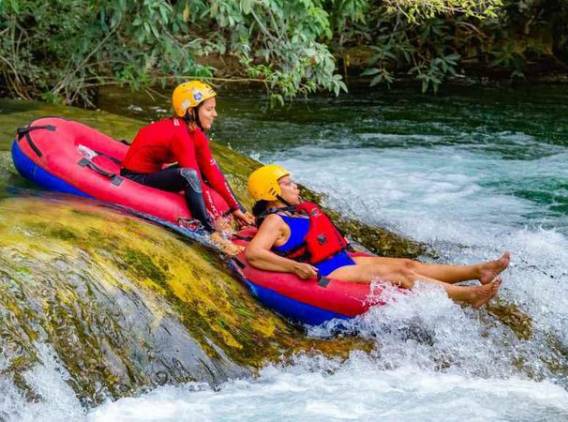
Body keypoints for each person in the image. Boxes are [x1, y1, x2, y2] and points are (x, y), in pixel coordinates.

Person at [244, 164, 510, 308]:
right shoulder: (275, 220)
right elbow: (255, 254)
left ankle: (478, 270)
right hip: (326, 271)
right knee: (402, 277)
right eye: (288, 183)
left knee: (409, 264)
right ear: (271, 191)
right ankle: (469, 296)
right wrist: (295, 267)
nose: (295, 186)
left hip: (340, 258)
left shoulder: (298, 212)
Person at [120, 80, 253, 254]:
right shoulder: (180, 135)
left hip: (155, 172)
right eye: (209, 109)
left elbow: (211, 170)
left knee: (209, 167)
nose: (215, 114)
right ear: (191, 111)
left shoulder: (195, 133)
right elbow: (194, 176)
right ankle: (209, 232)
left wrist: (237, 208)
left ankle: (235, 214)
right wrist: (215, 217)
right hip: (135, 176)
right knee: (189, 174)